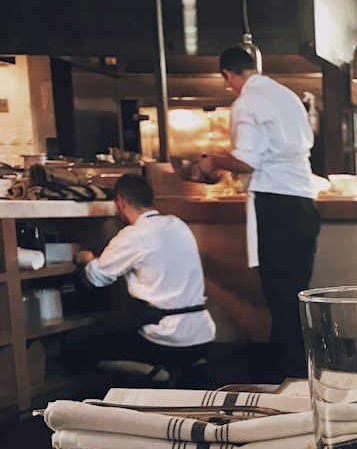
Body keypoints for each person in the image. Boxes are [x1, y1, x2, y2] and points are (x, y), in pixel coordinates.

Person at [197, 47, 318, 380]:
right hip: (303, 200)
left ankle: (292, 372)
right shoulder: (287, 96)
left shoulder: (247, 103)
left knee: (282, 294)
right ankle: (286, 366)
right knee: (295, 291)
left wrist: (213, 160)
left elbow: (247, 160)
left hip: (276, 201)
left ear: (229, 75)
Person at [73, 174, 215, 369]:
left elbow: (96, 278)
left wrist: (86, 258)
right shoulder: (179, 225)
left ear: (120, 202)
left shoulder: (134, 234)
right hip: (202, 337)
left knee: (80, 347)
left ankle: (151, 375)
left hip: (165, 340)